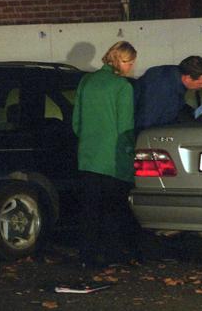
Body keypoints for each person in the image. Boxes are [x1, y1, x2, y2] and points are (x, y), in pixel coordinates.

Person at [72, 41, 139, 267]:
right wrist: (130, 152)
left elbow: (76, 123)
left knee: (89, 211)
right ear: (122, 61)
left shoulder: (86, 81)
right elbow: (125, 128)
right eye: (130, 62)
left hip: (88, 156)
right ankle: (113, 254)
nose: (132, 67)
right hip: (113, 159)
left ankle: (86, 257)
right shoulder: (123, 88)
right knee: (113, 210)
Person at [134, 56, 202, 131]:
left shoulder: (174, 76)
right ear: (187, 78)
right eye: (200, 83)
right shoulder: (162, 88)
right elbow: (147, 122)